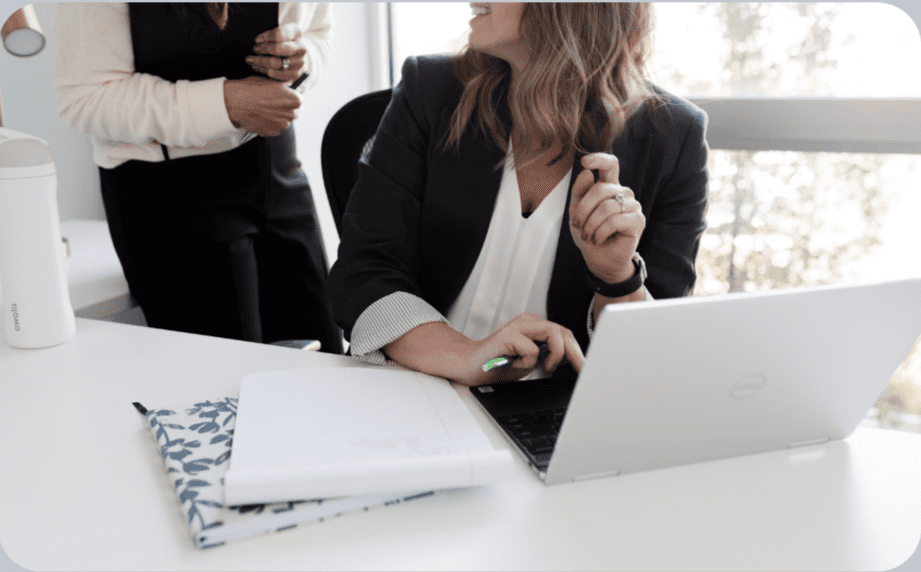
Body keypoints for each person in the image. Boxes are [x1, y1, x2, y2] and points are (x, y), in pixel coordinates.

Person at [329, 2, 709, 383]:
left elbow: (653, 357)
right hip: (410, 383)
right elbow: (365, 271)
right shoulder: (428, 89)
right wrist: (468, 358)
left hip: (548, 415)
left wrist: (615, 276)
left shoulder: (673, 138)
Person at [53, 2, 343, 353]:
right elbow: (86, 98)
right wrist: (225, 103)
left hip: (276, 167)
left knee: (325, 365)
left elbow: (318, 33)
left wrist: (301, 58)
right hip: (169, 193)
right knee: (228, 382)